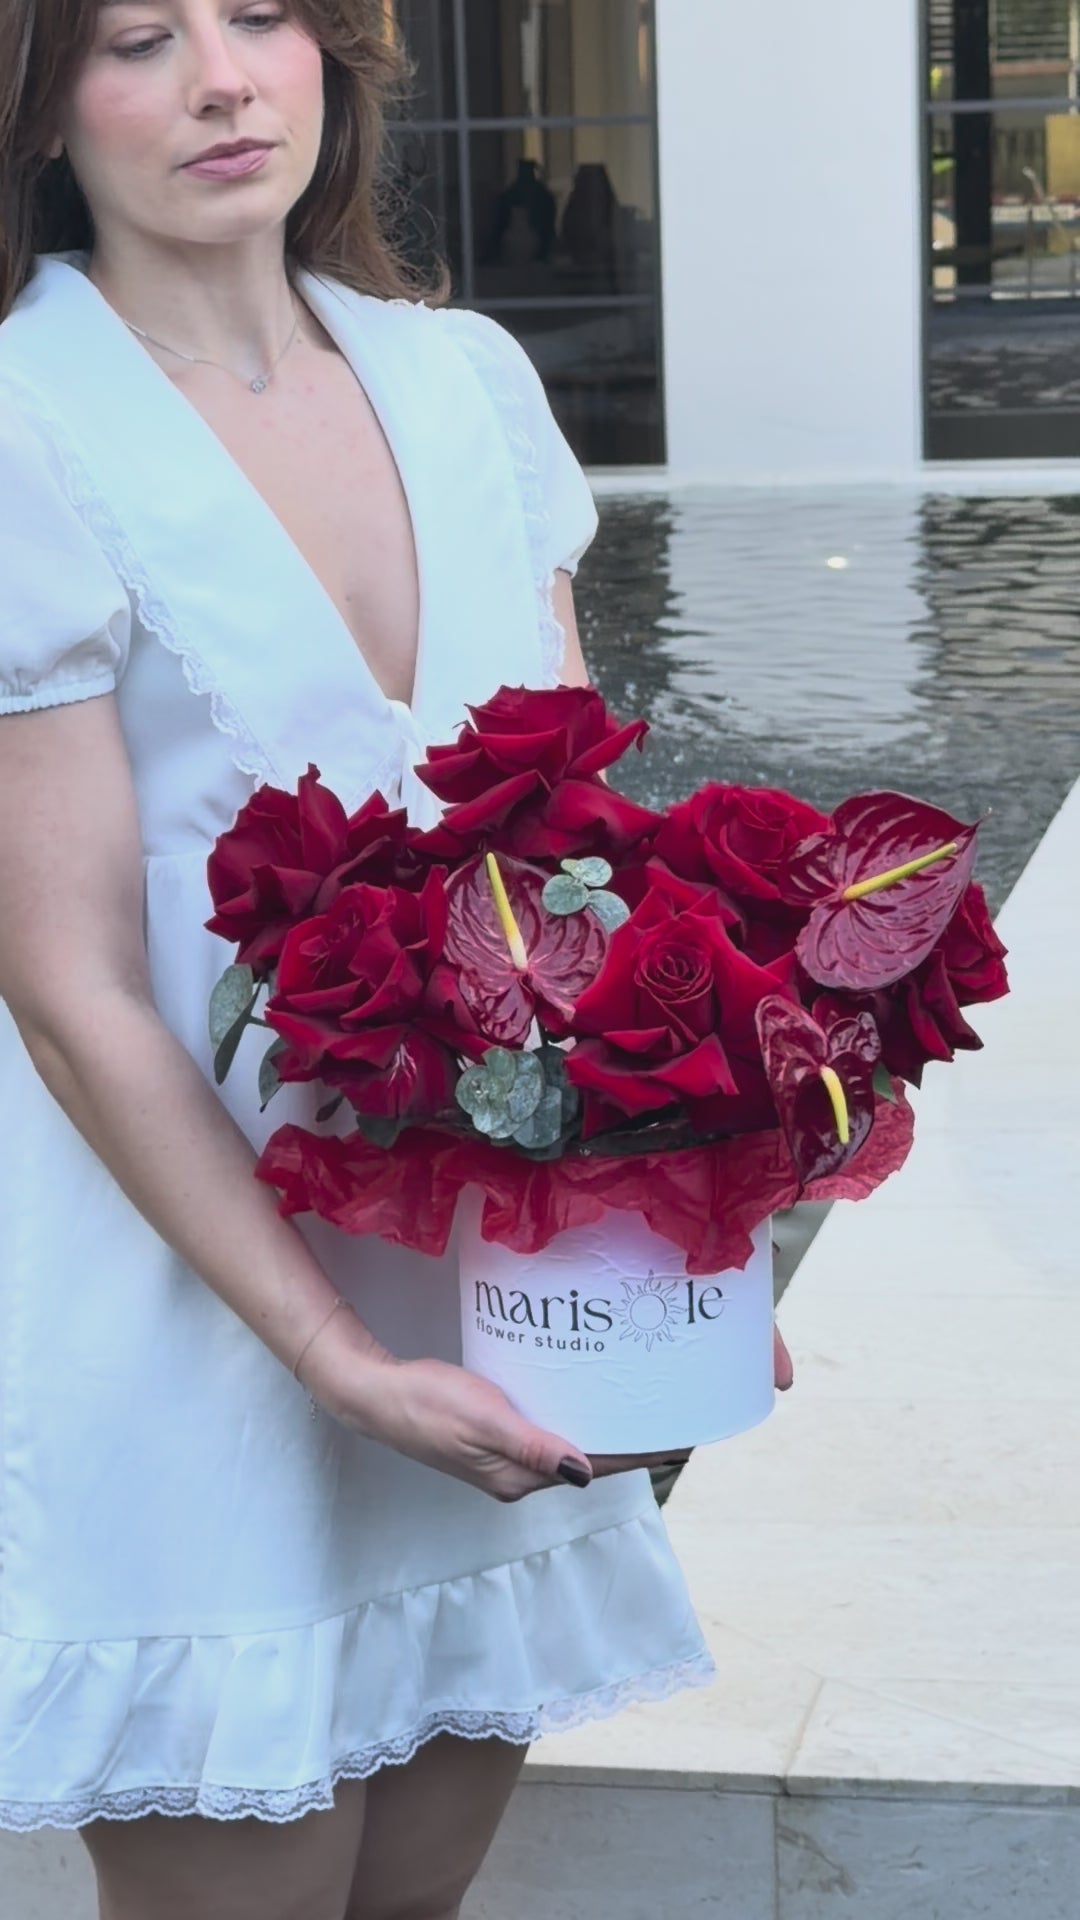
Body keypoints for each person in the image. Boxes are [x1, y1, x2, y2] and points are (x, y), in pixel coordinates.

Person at [0, 2, 794, 1915]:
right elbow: (69, 981)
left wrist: (678, 1234)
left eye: (263, 14)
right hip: (183, 1301)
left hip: (469, 1286)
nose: (221, 77)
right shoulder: (22, 420)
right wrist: (332, 1357)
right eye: (135, 38)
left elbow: (591, 883)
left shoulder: (461, 378)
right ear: (37, 98)